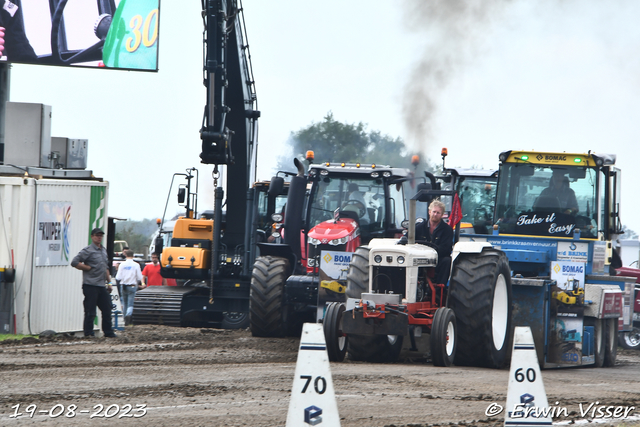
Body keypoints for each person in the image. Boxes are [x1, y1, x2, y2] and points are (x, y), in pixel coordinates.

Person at [71, 228, 117, 338]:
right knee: (90, 311)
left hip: (101, 285)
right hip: (90, 285)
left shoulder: (103, 250)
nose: (99, 237)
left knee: (107, 309)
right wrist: (86, 267)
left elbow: (105, 268)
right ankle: (89, 333)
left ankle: (108, 332)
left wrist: (109, 283)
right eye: (97, 235)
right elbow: (74, 262)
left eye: (100, 235)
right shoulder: (87, 250)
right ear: (92, 237)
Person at [416, 199, 454, 285]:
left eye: (438, 213)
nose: (435, 214)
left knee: (447, 261)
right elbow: (408, 238)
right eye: (434, 212)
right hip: (419, 259)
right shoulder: (419, 227)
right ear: (429, 212)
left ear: (442, 215)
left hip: (437, 260)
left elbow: (446, 248)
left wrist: (431, 252)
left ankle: (440, 290)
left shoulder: (447, 230)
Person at [115, 249, 143, 326]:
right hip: (132, 285)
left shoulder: (122, 264)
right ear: (133, 255)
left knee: (124, 303)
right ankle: (128, 315)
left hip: (123, 285)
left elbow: (118, 277)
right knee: (130, 304)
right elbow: (139, 277)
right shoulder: (136, 265)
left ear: (126, 255)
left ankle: (124, 320)